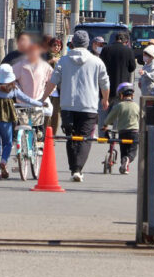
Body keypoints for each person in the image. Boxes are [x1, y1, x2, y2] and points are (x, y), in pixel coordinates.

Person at [41, 30, 110, 182]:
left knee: (71, 137)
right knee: (84, 138)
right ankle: (78, 169)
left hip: (67, 105)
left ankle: (74, 168)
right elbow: (105, 83)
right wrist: (105, 99)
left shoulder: (63, 61)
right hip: (89, 106)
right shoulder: (97, 61)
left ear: (72, 44)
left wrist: (43, 98)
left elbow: (53, 81)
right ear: (87, 44)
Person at [0, 64, 44, 180]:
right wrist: (41, 103)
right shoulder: (13, 89)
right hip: (5, 121)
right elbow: (26, 99)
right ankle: (4, 161)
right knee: (8, 143)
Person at [99, 32, 136, 136]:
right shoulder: (128, 51)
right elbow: (132, 67)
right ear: (126, 41)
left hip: (105, 86)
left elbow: (100, 66)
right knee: (119, 112)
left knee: (103, 111)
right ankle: (116, 134)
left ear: (115, 39)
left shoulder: (106, 49)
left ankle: (102, 135)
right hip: (121, 87)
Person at [101, 82, 140, 174]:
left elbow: (110, 118)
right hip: (134, 132)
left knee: (124, 150)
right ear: (132, 95)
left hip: (123, 132)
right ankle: (127, 162)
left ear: (121, 95)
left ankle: (124, 164)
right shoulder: (136, 106)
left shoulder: (119, 106)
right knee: (132, 151)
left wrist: (105, 125)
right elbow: (142, 117)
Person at [13, 38, 52, 102]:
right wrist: (18, 91)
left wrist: (45, 93)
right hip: (23, 101)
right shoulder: (20, 65)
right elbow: (10, 79)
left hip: (40, 100)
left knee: (49, 111)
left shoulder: (45, 66)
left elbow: (53, 81)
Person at [45, 37, 63, 134]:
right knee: (47, 112)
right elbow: (40, 66)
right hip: (47, 88)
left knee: (56, 113)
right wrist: (51, 61)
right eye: (54, 45)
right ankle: (45, 134)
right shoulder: (45, 56)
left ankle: (53, 135)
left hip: (57, 89)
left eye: (59, 45)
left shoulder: (62, 58)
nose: (57, 47)